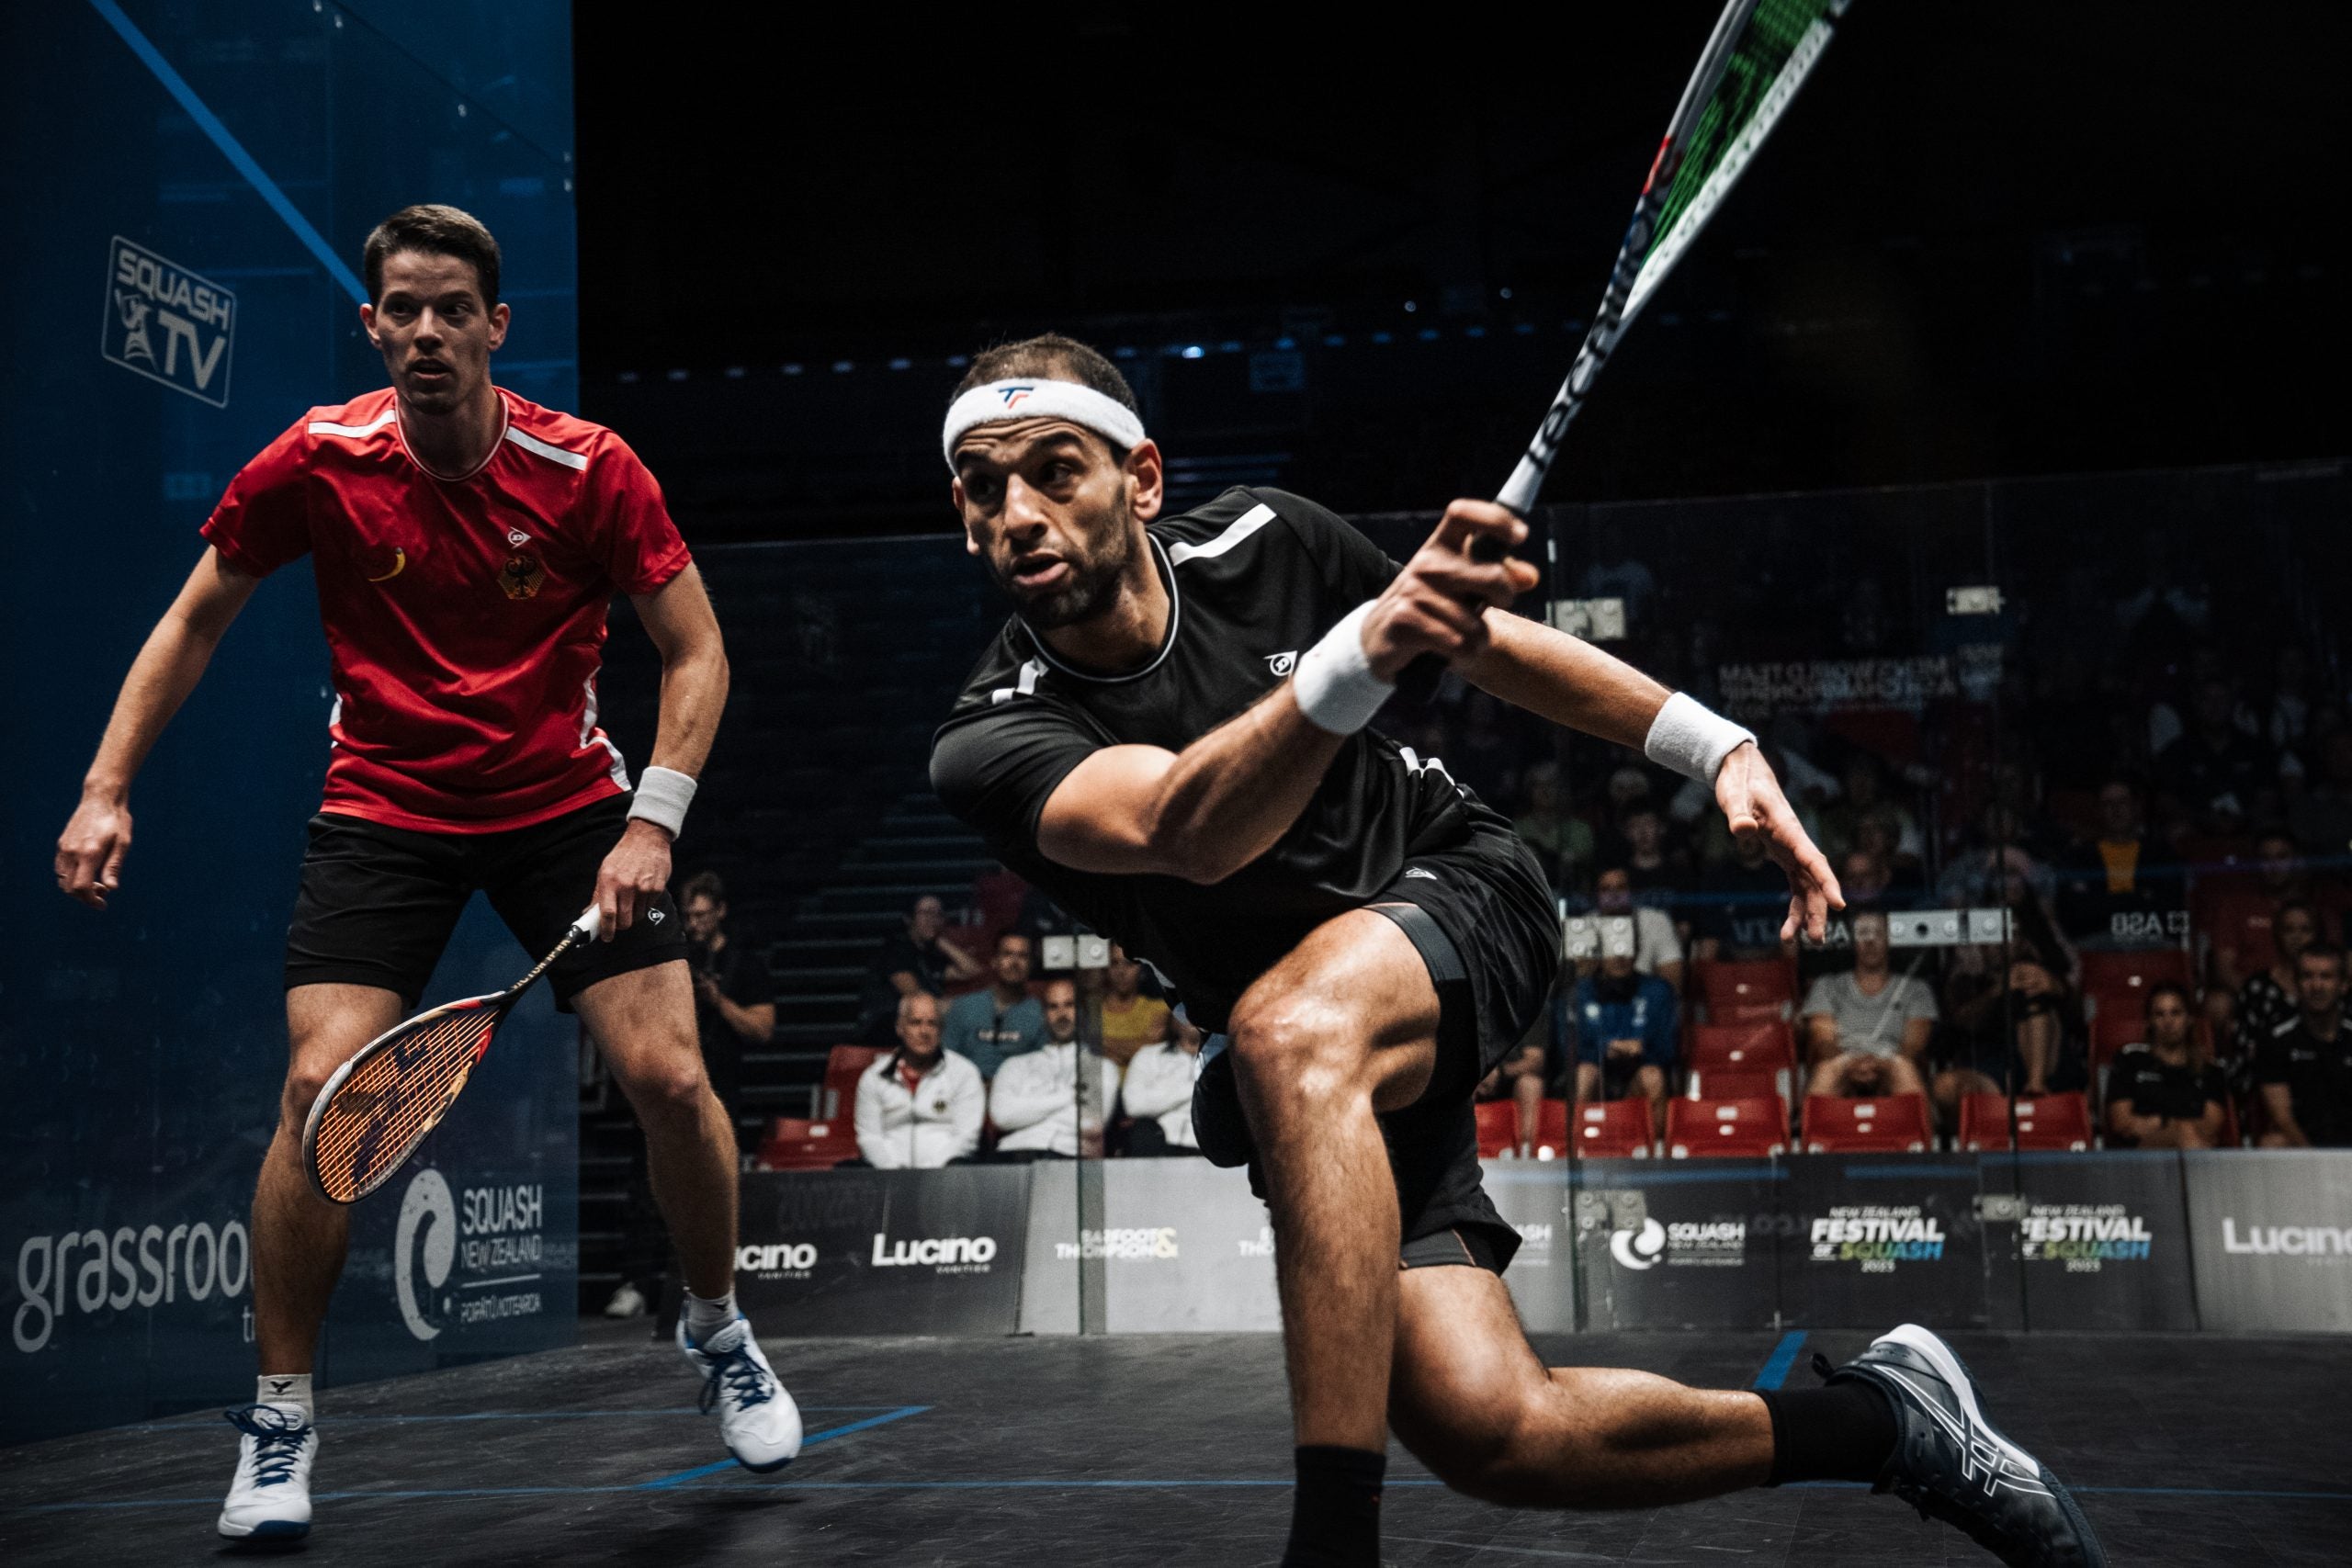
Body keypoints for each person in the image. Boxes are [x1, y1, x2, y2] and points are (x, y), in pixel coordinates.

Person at [927, 336, 2099, 1566]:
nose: (1018, 512)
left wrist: (1716, 747)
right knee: (1496, 1428)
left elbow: (1486, 644)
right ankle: (1889, 1423)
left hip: (1457, 892)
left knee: (1284, 1034)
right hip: (1326, 1048)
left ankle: (1332, 1542)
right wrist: (1361, 649)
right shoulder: (989, 737)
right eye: (982, 486)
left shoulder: (1271, 541)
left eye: (1056, 471)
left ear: (1142, 480)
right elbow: (1188, 830)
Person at [51, 206, 799, 1541]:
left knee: (672, 1073)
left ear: (496, 327)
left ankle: (718, 1326)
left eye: (455, 308)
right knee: (314, 1090)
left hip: (566, 799)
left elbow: (698, 651)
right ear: (374, 324)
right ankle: (280, 1421)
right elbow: (194, 615)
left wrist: (653, 824)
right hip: (385, 801)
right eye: (404, 308)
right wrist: (107, 786)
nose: (429, 331)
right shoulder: (320, 459)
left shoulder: (589, 470)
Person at [680, 870, 776, 1147]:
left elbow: (763, 1030)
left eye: (701, 915)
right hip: (679, 1075)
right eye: (688, 916)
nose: (694, 924)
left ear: (721, 911)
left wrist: (717, 1000)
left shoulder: (745, 964)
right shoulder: (677, 959)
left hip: (723, 1080)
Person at [1801, 910, 1936, 1100]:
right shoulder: (1826, 986)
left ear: (1890, 939)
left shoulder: (1916, 989)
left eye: (1878, 933)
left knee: (1903, 1067)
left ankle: (1921, 1130)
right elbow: (1823, 1041)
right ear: (1853, 941)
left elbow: (1914, 1045)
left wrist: (1881, 1063)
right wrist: (1852, 1063)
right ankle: (1813, 1130)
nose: (1870, 941)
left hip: (1892, 1060)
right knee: (1826, 1070)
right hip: (1843, 1060)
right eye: (1863, 933)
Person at [988, 976, 1122, 1158]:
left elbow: (1090, 1124)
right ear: (1044, 1015)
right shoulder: (1015, 1066)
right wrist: (1070, 1096)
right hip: (1012, 1154)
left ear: (1081, 1011)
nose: (1062, 1014)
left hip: (1066, 1156)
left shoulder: (1101, 1067)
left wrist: (1025, 1113)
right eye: (1053, 1007)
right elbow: (1002, 1116)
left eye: (1069, 1005)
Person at [854, 991, 985, 1168]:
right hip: (887, 1177)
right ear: (900, 1028)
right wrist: (893, 1171)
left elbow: (966, 1136)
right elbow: (870, 1137)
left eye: (932, 1024)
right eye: (915, 1023)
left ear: (941, 1030)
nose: (924, 1031)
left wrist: (929, 1173)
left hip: (945, 1177)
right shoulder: (874, 1077)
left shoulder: (964, 1073)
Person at [1564, 950, 1676, 1138]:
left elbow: (1668, 1050)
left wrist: (1642, 1050)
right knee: (1584, 1074)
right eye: (1611, 949)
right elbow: (1568, 1051)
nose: (1619, 956)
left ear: (1637, 948)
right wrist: (1605, 1049)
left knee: (1653, 1076)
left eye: (1626, 948)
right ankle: (1578, 1148)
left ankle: (1655, 1154)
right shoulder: (1579, 992)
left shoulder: (1658, 990)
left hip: (1636, 1078)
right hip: (1598, 1078)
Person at [2054, 779, 2180, 946]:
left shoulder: (2161, 853)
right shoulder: (2079, 857)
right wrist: (2140, 896)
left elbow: (2170, 905)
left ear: (2136, 807)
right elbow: (2076, 911)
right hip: (2095, 941)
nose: (2116, 809)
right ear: (2098, 811)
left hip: (2152, 939)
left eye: (2123, 802)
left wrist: (2104, 903)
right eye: (2108, 804)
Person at [2104, 983, 2228, 1148]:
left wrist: (2154, 1122)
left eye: (2175, 1013)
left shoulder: (2209, 1070)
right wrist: (2173, 1127)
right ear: (2149, 1021)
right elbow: (2122, 1124)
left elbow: (2210, 1126)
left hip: (2195, 1147)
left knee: (2187, 1136)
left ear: (2189, 1019)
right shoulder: (2130, 1061)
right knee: (2184, 1134)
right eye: (2159, 1014)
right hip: (2139, 1154)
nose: (2168, 1021)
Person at [2256, 945, 2352, 1147]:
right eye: (2307, 976)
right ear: (2296, 984)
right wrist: (2315, 1162)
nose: (2316, 986)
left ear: (2343, 985)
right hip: (2302, 1147)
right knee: (2272, 1144)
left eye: (2326, 977)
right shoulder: (2276, 1039)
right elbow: (2282, 1118)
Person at [856, 893, 982, 1043]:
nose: (933, 919)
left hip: (917, 1030)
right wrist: (971, 1006)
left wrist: (940, 941)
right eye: (926, 913)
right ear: (909, 919)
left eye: (938, 914)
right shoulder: (896, 950)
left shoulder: (927, 954)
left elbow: (972, 970)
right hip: (884, 1029)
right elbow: (917, 998)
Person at [939, 929, 1047, 1078]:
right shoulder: (963, 1007)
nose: (1014, 963)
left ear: (1031, 964)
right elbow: (945, 1062)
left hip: (1019, 1095)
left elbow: (1042, 1071)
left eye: (1023, 956)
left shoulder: (1040, 1014)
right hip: (967, 1094)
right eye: (1007, 954)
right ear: (995, 961)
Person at [1690, 820, 1795, 964]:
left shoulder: (1781, 876)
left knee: (1792, 940)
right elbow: (1710, 934)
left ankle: (1793, 984)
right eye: (1740, 835)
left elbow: (1791, 925)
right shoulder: (1717, 878)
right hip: (1729, 958)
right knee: (1704, 949)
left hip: (1774, 954)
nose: (1746, 840)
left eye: (1751, 835)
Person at [1120, 1008, 1208, 1155]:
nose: (1191, 1018)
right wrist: (1197, 1087)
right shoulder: (1148, 1056)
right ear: (1173, 1019)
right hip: (1159, 1142)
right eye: (1184, 1011)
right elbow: (1134, 1105)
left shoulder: (1223, 1061)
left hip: (1207, 1147)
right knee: (1142, 1131)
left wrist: (1161, 1096)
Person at [1099, 943, 1172, 1068]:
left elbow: (1151, 1052)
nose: (1121, 971)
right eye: (1114, 963)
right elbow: (1085, 1051)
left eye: (1129, 963)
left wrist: (1102, 1044)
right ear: (1106, 968)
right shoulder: (1093, 1012)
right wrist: (1141, 1044)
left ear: (1141, 967)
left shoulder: (1160, 1010)